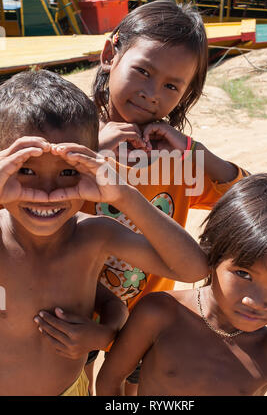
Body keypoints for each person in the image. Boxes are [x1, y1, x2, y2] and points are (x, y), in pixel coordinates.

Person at [0, 70, 209, 396]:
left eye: (68, 172)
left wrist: (123, 193)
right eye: (24, 170)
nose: (47, 191)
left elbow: (193, 268)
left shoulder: (94, 236)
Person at [89, 0, 250, 393]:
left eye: (171, 86)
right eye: (143, 71)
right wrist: (91, 147)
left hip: (145, 321)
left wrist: (198, 153)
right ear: (111, 54)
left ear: (186, 93)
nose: (150, 93)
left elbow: (246, 201)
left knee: (127, 392)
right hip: (75, 315)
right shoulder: (71, 134)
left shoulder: (174, 158)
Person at [97, 173, 267, 396]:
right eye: (243, 273)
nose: (255, 301)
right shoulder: (159, 313)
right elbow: (110, 381)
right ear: (211, 254)